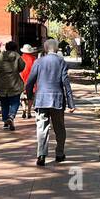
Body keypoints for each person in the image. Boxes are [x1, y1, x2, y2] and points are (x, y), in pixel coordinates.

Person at [24, 38, 76, 166]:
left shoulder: (38, 62)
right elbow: (66, 83)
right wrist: (71, 103)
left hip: (41, 99)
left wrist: (30, 96)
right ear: (56, 48)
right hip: (57, 100)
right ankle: (59, 153)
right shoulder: (61, 62)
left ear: (46, 48)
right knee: (59, 128)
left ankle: (41, 155)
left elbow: (30, 82)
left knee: (42, 128)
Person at [0, 41, 26, 130]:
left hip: (2, 84)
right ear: (15, 48)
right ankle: (11, 116)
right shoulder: (17, 56)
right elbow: (22, 67)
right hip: (15, 84)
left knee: (4, 103)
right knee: (15, 102)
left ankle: (5, 121)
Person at [19, 44, 38, 120]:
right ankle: (29, 111)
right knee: (30, 96)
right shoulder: (34, 59)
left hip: (22, 79)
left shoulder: (20, 58)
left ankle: (24, 109)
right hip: (31, 79)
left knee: (22, 96)